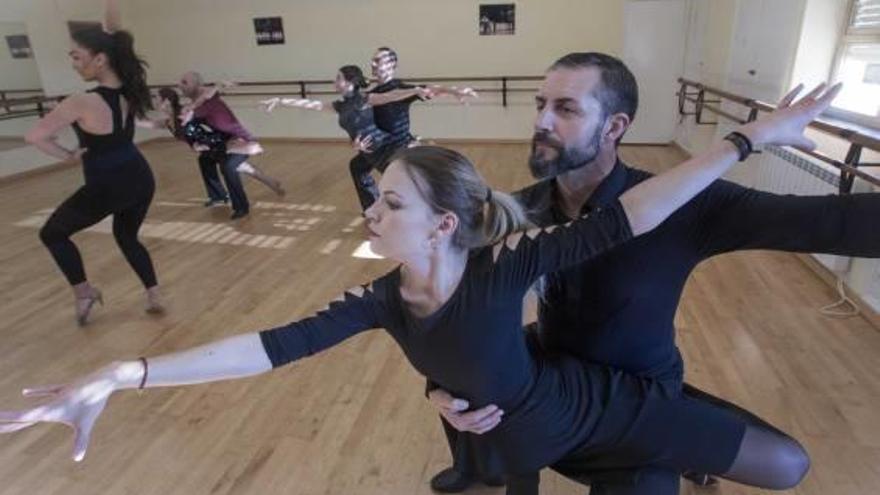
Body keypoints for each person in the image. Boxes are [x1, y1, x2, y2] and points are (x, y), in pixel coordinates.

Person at [0, 84, 843, 495]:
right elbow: (261, 349)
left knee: (791, 466)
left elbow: (639, 211)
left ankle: (683, 450)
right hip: (503, 443)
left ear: (443, 225)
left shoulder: (506, 264)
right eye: (376, 195)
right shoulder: (379, 303)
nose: (371, 208)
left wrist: (749, 138)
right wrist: (124, 374)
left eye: (390, 200)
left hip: (603, 407)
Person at [427, 53, 880, 495]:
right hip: (556, 386)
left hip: (643, 394)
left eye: (565, 108)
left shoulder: (682, 204)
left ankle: (678, 448)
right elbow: (458, 302)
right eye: (540, 104)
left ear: (614, 127)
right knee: (475, 391)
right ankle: (479, 466)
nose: (542, 121)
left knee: (785, 465)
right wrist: (439, 390)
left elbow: (827, 220)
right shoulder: (522, 209)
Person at [24, 0, 163, 326]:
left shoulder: (81, 101)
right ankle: (154, 293)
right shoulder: (130, 89)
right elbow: (115, 33)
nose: (73, 63)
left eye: (76, 56)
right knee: (127, 236)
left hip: (107, 186)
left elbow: (35, 136)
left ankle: (84, 292)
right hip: (140, 178)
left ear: (100, 59)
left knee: (52, 234)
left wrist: (69, 156)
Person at [261, 65, 445, 209]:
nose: (334, 81)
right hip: (368, 152)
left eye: (338, 78)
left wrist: (415, 91)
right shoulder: (339, 106)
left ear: (350, 82)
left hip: (384, 148)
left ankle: (437, 206)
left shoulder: (365, 98)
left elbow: (392, 96)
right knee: (358, 168)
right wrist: (280, 101)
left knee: (407, 186)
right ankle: (372, 209)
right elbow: (311, 104)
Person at [341, 47, 477, 211]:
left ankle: (442, 206)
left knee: (410, 181)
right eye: (373, 60)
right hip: (379, 147)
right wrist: (354, 143)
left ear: (392, 64)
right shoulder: (371, 94)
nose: (372, 64)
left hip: (398, 147)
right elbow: (358, 124)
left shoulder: (401, 88)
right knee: (357, 166)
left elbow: (429, 89)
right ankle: (372, 209)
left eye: (378, 61)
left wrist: (454, 91)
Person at [154, 87, 285, 197]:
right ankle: (271, 182)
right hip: (209, 146)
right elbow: (152, 124)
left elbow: (203, 99)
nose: (154, 101)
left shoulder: (183, 111)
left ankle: (258, 171)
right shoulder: (169, 121)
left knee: (234, 166)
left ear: (166, 101)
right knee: (241, 166)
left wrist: (218, 85)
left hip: (216, 140)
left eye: (157, 98)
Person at [177, 71, 255, 219]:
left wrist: (217, 86)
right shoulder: (200, 103)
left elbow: (202, 101)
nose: (179, 85)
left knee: (228, 166)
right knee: (205, 159)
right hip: (223, 143)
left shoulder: (208, 102)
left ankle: (241, 207)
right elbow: (189, 125)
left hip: (241, 141)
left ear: (197, 85)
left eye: (184, 82)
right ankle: (218, 196)